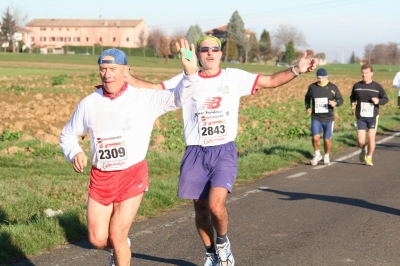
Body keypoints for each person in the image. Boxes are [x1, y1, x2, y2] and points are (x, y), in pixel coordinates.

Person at [127, 35, 316, 266]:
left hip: (223, 151)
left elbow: (270, 81)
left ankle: (223, 244)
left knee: (216, 204)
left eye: (214, 49)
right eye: (204, 49)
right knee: (201, 210)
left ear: (220, 53)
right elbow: (154, 89)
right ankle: (210, 253)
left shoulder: (233, 77)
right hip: (195, 152)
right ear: (197, 54)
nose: (210, 53)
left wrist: (297, 69)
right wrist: (124, 76)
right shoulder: (187, 79)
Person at [59, 41, 199, 266]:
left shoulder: (143, 98)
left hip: (132, 174)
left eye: (113, 69)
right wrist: (75, 152)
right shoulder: (89, 104)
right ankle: (120, 247)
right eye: (103, 70)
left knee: (117, 234)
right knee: (97, 239)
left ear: (126, 70)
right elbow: (67, 135)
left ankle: (120, 245)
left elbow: (178, 97)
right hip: (101, 177)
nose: (107, 75)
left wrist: (190, 72)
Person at [350, 64, 388, 166]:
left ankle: (369, 157)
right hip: (361, 116)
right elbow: (352, 97)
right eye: (363, 72)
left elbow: (385, 99)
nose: (364, 75)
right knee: (360, 140)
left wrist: (378, 101)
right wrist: (353, 103)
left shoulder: (377, 87)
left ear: (371, 73)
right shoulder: (357, 86)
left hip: (373, 117)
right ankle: (363, 149)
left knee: (371, 138)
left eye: (366, 73)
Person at [305, 68, 343, 166]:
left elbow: (340, 100)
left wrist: (335, 103)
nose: (320, 80)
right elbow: (307, 98)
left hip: (328, 119)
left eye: (323, 78)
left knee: (326, 139)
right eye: (319, 78)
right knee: (315, 137)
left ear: (326, 77)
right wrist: (308, 107)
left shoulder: (332, 87)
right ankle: (317, 154)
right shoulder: (312, 87)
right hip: (316, 117)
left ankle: (326, 155)